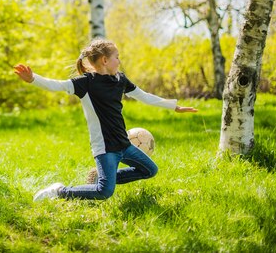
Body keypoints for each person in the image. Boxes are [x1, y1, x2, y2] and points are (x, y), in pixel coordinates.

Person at [13, 38, 198, 202]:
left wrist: (174, 106)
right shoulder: (85, 83)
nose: (119, 61)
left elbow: (144, 96)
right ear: (104, 60)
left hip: (124, 144)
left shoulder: (120, 80)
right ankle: (59, 192)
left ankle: (100, 177)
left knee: (150, 170)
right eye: (117, 57)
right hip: (105, 147)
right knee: (104, 192)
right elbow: (57, 85)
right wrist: (33, 79)